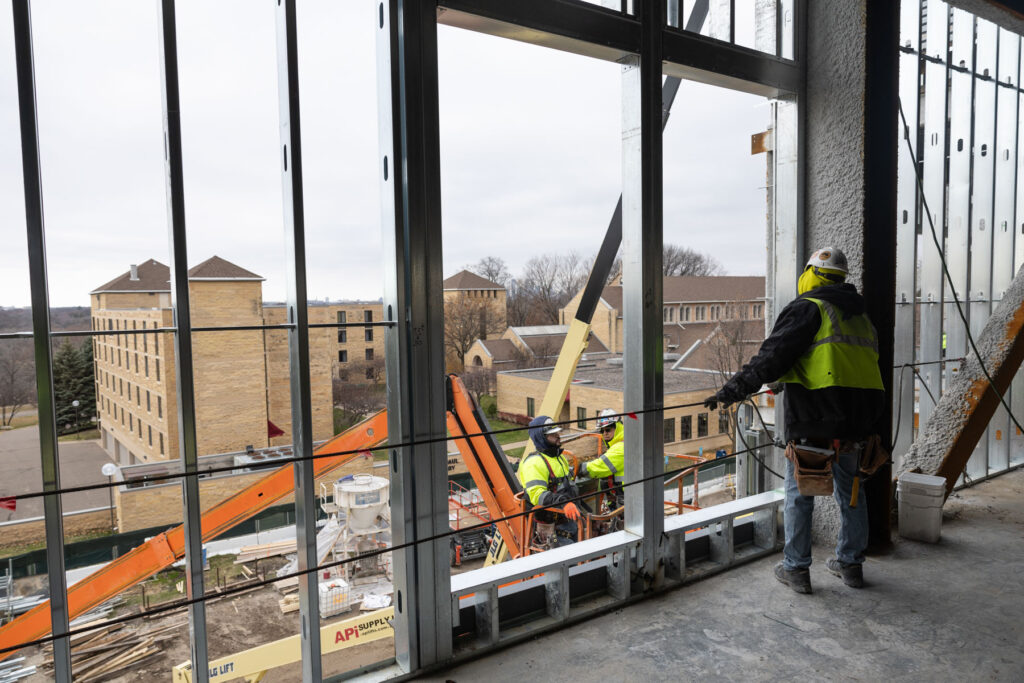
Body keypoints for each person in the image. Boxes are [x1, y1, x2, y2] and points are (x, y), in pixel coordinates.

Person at [704, 247, 884, 593]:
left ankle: (797, 568)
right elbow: (838, 361)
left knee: (800, 492)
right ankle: (851, 565)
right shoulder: (860, 315)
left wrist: (732, 390)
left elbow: (773, 356)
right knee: (852, 494)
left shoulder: (809, 308)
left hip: (816, 418)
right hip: (857, 422)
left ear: (810, 273)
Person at [518, 415, 582, 546]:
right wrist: (564, 503)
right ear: (542, 438)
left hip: (569, 522)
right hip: (550, 532)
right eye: (552, 434)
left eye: (557, 432)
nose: (558, 436)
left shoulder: (560, 458)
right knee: (574, 562)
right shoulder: (534, 463)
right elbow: (537, 495)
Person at [580, 409, 625, 509]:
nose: (605, 433)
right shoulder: (617, 445)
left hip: (629, 497)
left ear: (617, 427)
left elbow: (600, 466)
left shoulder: (621, 447)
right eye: (602, 431)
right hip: (622, 495)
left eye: (608, 429)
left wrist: (581, 468)